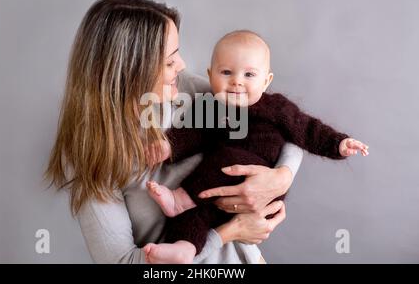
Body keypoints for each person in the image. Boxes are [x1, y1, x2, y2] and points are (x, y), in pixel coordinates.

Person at [45, 0, 303, 264]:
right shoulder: (90, 153)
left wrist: (282, 176)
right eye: (169, 61)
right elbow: (121, 261)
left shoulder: (192, 91)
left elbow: (283, 120)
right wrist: (229, 232)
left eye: (177, 53)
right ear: (131, 72)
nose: (181, 65)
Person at [143, 30, 369, 264]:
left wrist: (339, 143)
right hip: (215, 189)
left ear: (266, 81)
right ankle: (185, 248)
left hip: (260, 184)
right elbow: (191, 133)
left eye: (249, 74)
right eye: (226, 72)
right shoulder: (210, 105)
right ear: (211, 76)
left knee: (227, 159)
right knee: (193, 215)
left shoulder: (277, 108)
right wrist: (167, 146)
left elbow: (308, 130)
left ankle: (180, 199)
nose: (237, 81)